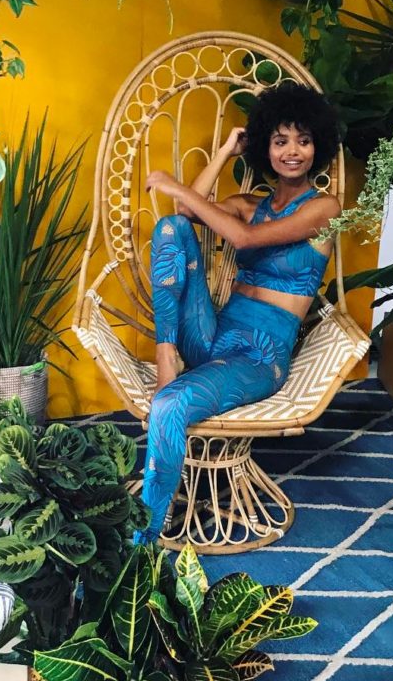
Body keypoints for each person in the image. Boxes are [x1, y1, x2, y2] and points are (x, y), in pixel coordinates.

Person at [136, 80, 341, 543]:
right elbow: (184, 214)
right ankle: (166, 353)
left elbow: (245, 240)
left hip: (258, 356)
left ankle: (146, 532)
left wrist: (174, 184)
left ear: (319, 148)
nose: (293, 151)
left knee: (169, 404)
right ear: (265, 147)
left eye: (304, 140)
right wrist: (226, 151)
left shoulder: (324, 208)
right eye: (280, 140)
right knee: (170, 228)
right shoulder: (250, 206)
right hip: (213, 336)